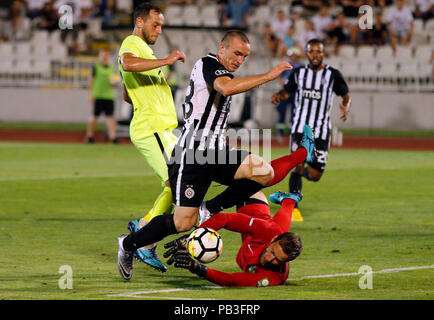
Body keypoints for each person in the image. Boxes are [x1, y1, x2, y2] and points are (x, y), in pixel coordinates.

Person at [117, 30, 293, 281]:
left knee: (264, 172)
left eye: (244, 56)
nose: (240, 59)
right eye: (236, 53)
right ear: (222, 48)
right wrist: (269, 75)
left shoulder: (223, 70)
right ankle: (128, 245)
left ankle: (210, 208)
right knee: (182, 223)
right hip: (192, 153)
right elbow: (226, 88)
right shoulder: (209, 64)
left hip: (215, 150)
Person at [162, 127, 316, 286]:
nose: (271, 258)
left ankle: (292, 192)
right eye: (272, 252)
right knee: (260, 177)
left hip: (270, 228)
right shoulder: (267, 231)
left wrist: (201, 270)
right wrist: (194, 236)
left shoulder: (274, 276)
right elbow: (225, 219)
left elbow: (235, 280)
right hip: (256, 211)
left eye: (278, 260)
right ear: (273, 241)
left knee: (261, 176)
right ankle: (300, 166)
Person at [117, 3, 186, 272]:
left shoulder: (144, 50)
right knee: (175, 183)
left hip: (162, 129)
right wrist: (166, 61)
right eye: (155, 25)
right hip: (152, 128)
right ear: (139, 22)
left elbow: (126, 90)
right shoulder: (131, 42)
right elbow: (127, 63)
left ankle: (143, 231)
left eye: (161, 26)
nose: (159, 30)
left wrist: (135, 90)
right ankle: (141, 237)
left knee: (179, 183)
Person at [271, 39, 352, 222]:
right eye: (312, 51)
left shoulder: (333, 74)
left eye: (319, 52)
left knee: (315, 175)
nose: (315, 55)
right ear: (306, 54)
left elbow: (346, 95)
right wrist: (279, 96)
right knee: (297, 164)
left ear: (324, 53)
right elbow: (287, 92)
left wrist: (346, 107)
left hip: (321, 131)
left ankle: (301, 170)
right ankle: (292, 206)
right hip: (300, 127)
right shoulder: (299, 73)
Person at [86, 49, 119, 144]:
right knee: (94, 116)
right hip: (98, 95)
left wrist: (116, 81)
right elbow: (91, 82)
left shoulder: (112, 68)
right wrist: (90, 94)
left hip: (109, 96)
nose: (105, 57)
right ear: (100, 56)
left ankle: (113, 137)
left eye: (107, 55)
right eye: (103, 55)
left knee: (111, 117)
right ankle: (90, 135)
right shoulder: (96, 67)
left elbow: (114, 83)